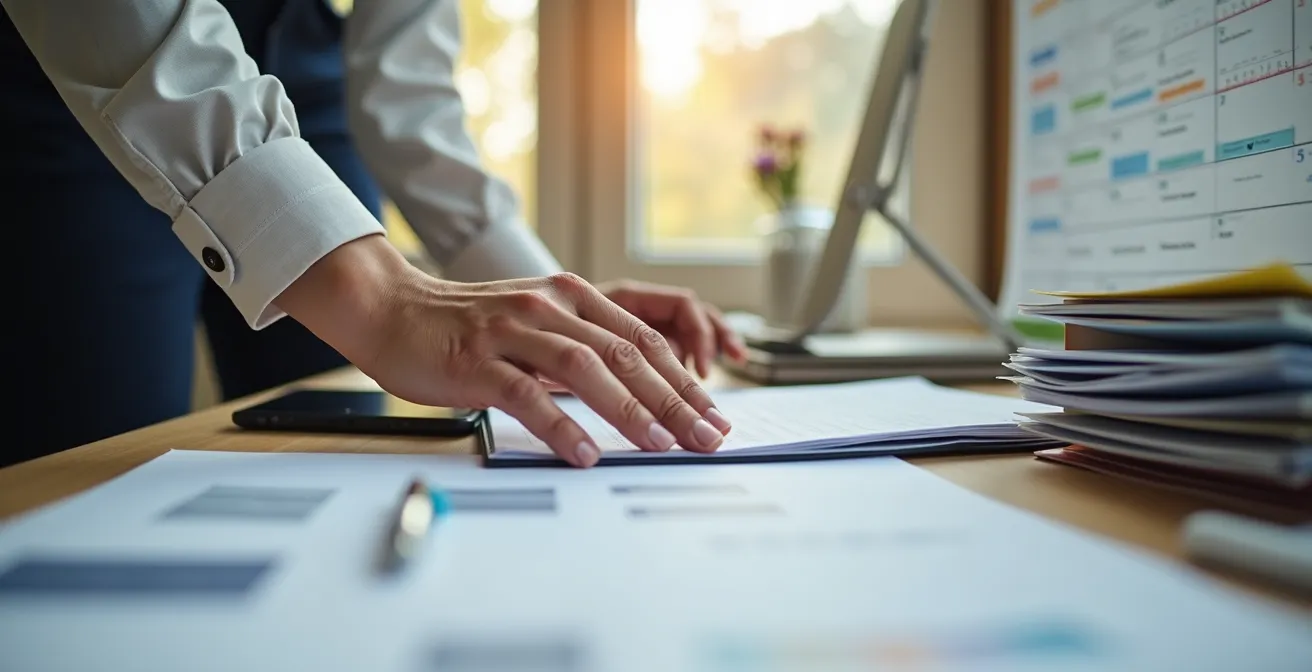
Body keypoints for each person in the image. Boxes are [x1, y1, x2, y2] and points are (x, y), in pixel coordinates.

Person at [2, 0, 747, 469]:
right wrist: (386, 299)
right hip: (83, 71)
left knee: (346, 456)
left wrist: (556, 316)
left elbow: (406, 90)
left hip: (308, 78)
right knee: (96, 467)